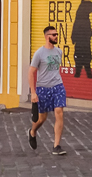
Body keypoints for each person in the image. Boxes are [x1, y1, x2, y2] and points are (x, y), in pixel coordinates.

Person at [27, 25, 67, 155]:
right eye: (53, 35)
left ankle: (57, 146)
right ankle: (32, 132)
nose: (56, 36)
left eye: (57, 34)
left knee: (59, 112)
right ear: (47, 37)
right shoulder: (39, 53)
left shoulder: (59, 51)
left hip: (57, 86)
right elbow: (31, 72)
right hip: (43, 88)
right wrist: (33, 92)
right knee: (41, 119)